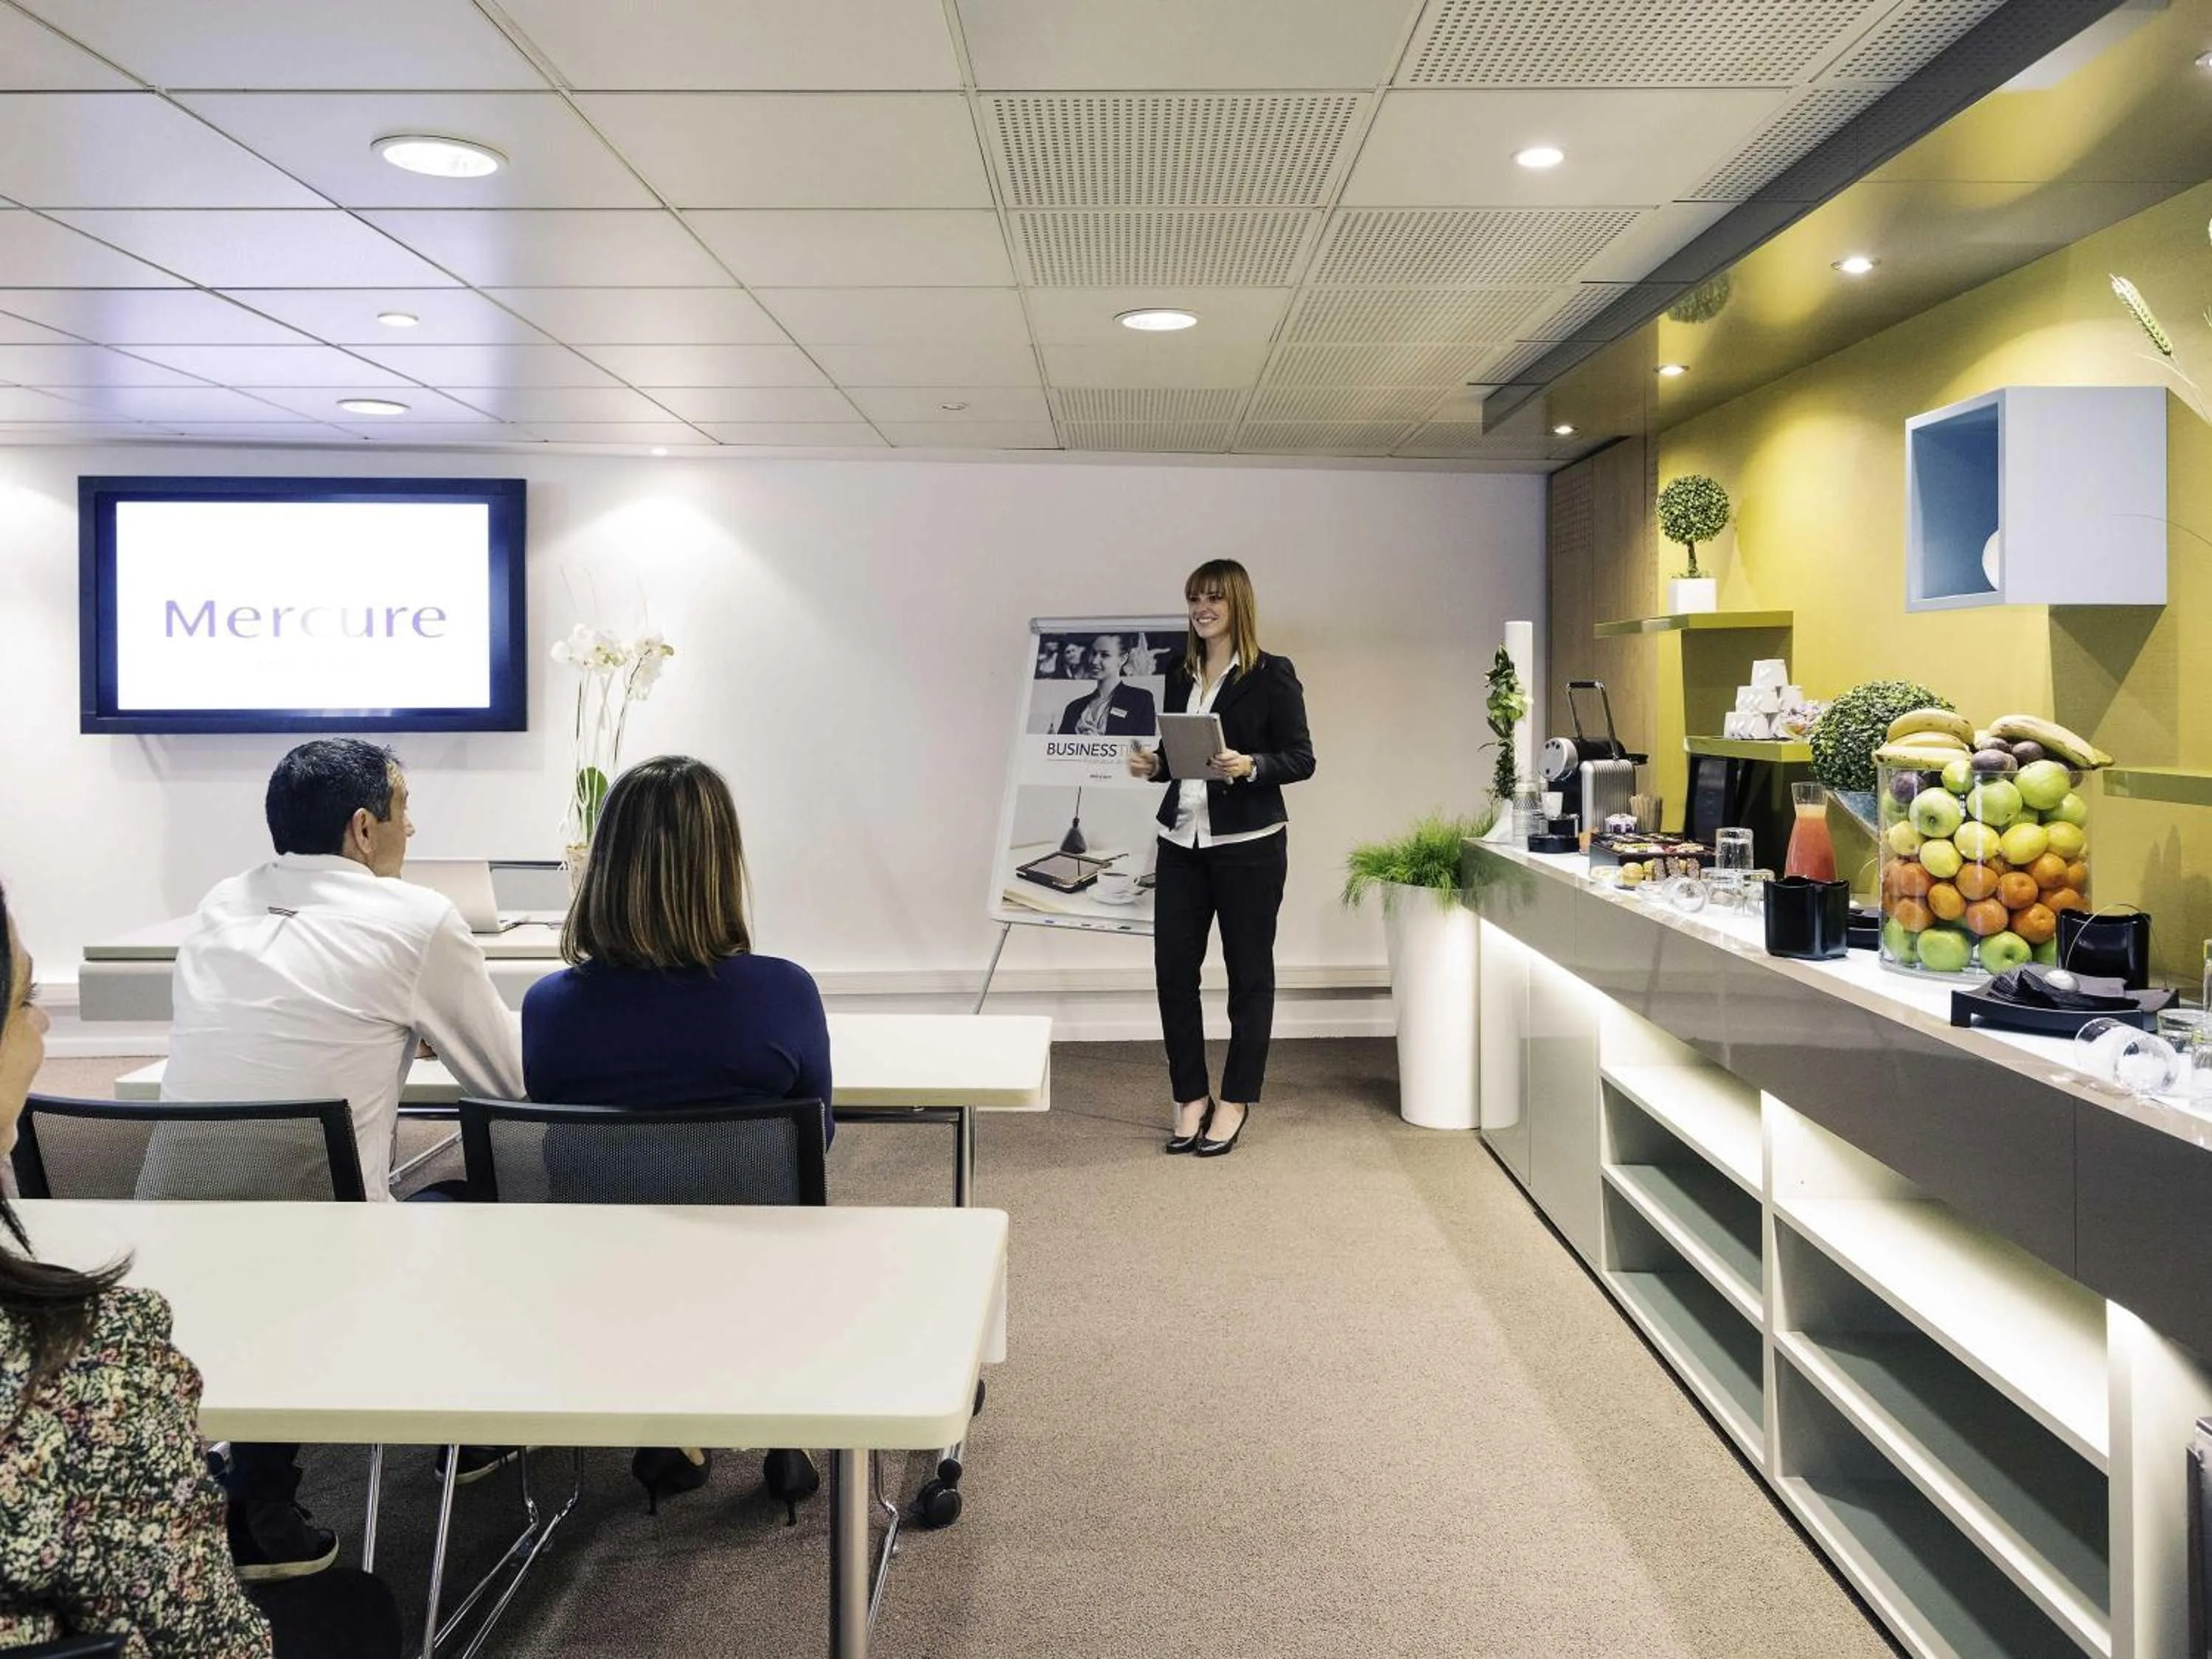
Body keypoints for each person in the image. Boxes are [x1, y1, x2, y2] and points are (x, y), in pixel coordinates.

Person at [0, 878, 403, 1657]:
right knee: (354, 1609)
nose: (46, 1020)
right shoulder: (84, 1365)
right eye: (23, 1000)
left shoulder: (221, 907)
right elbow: (209, 1641)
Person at [152, 737, 525, 1576]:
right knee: (475, 1196)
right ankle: (476, 1430)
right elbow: (511, 1078)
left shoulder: (218, 904)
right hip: (321, 1260)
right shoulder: (417, 918)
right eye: (404, 809)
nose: (413, 825)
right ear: (364, 828)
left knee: (276, 1204)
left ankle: (248, 1483)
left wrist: (399, 1022)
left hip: (163, 1241)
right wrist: (429, 1022)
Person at [522, 754, 831, 1515]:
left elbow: (559, 1130)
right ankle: (772, 1414)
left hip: (603, 1272)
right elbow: (811, 1138)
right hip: (756, 1266)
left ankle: (675, 1415)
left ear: (607, 864)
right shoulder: (782, 992)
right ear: (722, 866)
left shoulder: (549, 1006)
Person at [1126, 560, 1314, 1158]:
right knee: (1173, 974)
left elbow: (1301, 758)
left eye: (1213, 599)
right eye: (1193, 599)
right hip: (1182, 842)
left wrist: (1251, 765)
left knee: (1248, 977)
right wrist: (1153, 765)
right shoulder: (1179, 672)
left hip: (1248, 847)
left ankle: (1235, 1099)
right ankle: (1190, 1097)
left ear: (1238, 604)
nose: (1202, 609)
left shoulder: (1272, 675)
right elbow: (1178, 753)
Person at [1054, 633, 1158, 737]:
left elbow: (1144, 750)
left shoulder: (1140, 700)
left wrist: (1101, 743)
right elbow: (1056, 749)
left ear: (1123, 659)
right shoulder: (1074, 708)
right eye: (1093, 653)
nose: (1095, 661)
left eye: (1105, 655)